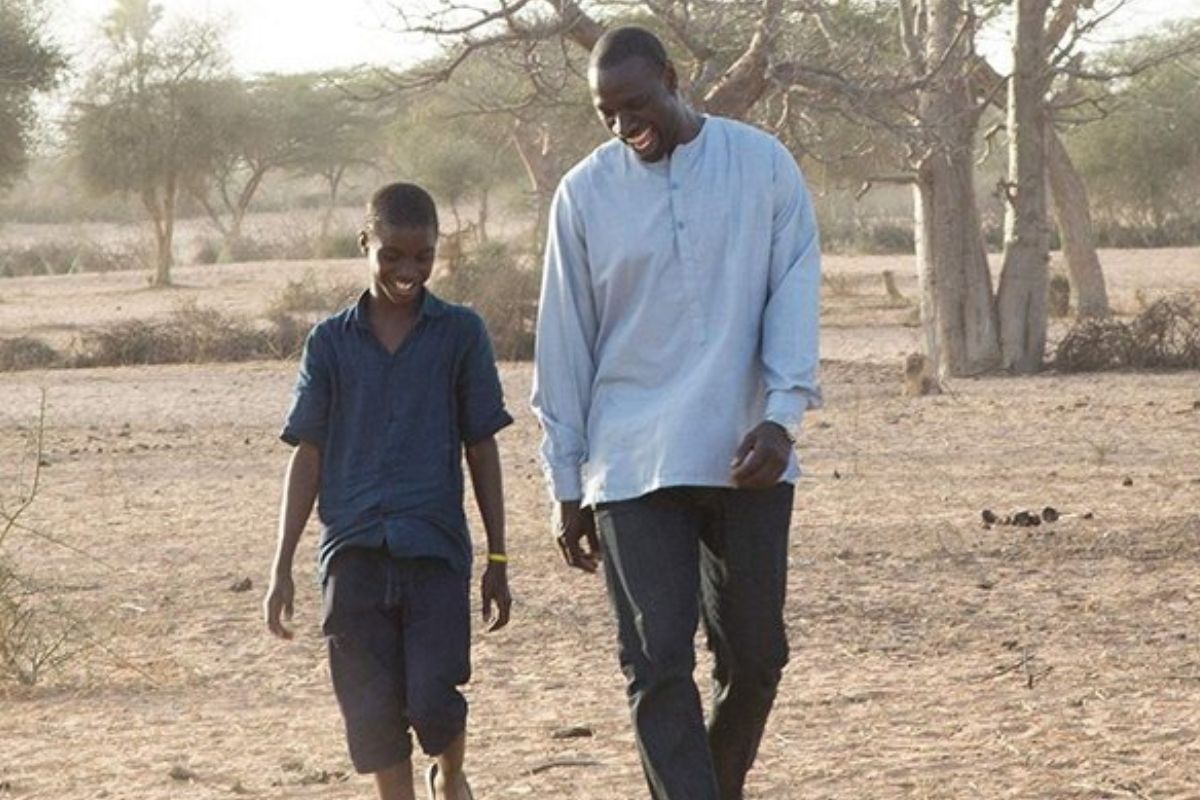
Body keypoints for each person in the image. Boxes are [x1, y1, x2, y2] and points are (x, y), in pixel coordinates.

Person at [530, 26, 822, 800]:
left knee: (757, 659)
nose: (626, 128)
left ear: (671, 75)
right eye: (606, 114)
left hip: (747, 449)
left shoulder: (762, 165)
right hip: (629, 460)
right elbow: (565, 341)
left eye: (636, 104)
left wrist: (782, 414)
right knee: (657, 663)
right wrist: (565, 484)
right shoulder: (583, 195)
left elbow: (794, 287)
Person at [264, 182, 514, 800]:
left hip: (433, 548)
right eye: (393, 255)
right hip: (351, 551)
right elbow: (309, 452)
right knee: (371, 712)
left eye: (423, 256)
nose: (409, 270)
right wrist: (281, 568)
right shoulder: (329, 342)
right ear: (365, 244)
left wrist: (499, 559)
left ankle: (450, 775)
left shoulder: (460, 333)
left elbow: (482, 446)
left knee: (434, 697)